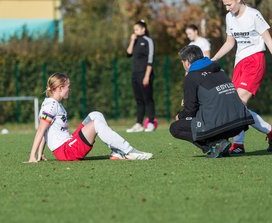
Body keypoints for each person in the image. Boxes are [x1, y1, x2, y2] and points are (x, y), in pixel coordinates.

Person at [25, 73, 153, 163]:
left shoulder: (54, 104)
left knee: (95, 115)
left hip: (68, 145)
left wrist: (41, 154)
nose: (70, 89)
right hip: (66, 151)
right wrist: (33, 156)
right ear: (60, 88)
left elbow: (47, 131)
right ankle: (128, 151)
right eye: (68, 86)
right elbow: (41, 130)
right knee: (96, 123)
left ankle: (117, 152)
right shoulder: (51, 105)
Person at [170, 45, 254, 158]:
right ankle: (221, 143)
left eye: (182, 62)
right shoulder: (219, 69)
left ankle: (214, 145)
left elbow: (190, 111)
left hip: (222, 126)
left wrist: (180, 116)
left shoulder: (191, 76)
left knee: (175, 127)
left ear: (187, 63)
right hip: (240, 123)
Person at [211, 0, 272, 154]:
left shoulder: (254, 15)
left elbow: (268, 40)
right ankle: (245, 141)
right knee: (235, 104)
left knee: (237, 103)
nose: (227, 7)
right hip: (240, 64)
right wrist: (213, 59)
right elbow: (230, 42)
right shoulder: (229, 17)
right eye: (225, 4)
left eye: (229, 4)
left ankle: (239, 143)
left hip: (255, 61)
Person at [126, 20, 157, 133]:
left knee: (148, 99)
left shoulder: (148, 41)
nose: (135, 31)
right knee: (139, 100)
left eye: (137, 29)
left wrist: (147, 76)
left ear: (143, 29)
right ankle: (139, 123)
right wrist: (132, 40)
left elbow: (150, 59)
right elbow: (128, 53)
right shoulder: (135, 41)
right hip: (135, 74)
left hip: (145, 74)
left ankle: (151, 122)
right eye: (134, 30)